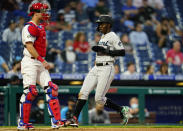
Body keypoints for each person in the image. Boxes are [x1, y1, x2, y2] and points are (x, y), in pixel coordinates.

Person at [64, 15, 130, 127]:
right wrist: (101, 51)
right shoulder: (103, 37)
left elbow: (122, 52)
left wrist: (106, 50)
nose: (99, 26)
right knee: (83, 93)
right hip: (96, 67)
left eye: (101, 24)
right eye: (99, 24)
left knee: (99, 99)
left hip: (107, 67)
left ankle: (121, 109)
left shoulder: (112, 35)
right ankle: (74, 118)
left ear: (108, 25)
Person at [17, 2, 62, 130]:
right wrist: (42, 60)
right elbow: (29, 46)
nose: (45, 13)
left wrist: (42, 61)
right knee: (30, 92)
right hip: (30, 61)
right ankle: (23, 123)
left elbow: (42, 44)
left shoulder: (41, 27)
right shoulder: (28, 27)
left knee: (51, 89)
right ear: (35, 13)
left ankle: (56, 121)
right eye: (42, 11)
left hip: (39, 62)